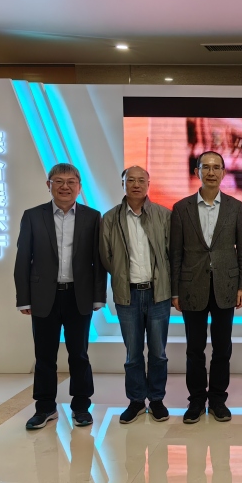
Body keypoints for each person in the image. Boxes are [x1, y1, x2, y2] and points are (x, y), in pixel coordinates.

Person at [14, 163, 106, 430]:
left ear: (79, 187)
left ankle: (81, 407)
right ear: (49, 185)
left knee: (79, 354)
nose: (65, 187)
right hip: (44, 296)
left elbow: (98, 260)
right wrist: (24, 298)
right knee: (44, 356)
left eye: (71, 182)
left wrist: (98, 296)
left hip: (79, 295)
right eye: (59, 181)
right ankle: (45, 408)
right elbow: (23, 259)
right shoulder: (33, 216)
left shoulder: (92, 217)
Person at [170, 151, 242, 424]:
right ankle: (196, 401)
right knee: (194, 349)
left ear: (224, 173)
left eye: (217, 167)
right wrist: (175, 291)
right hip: (192, 286)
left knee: (222, 348)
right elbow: (175, 253)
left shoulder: (235, 206)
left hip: (225, 286)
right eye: (206, 167)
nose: (212, 172)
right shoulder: (181, 208)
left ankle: (217, 400)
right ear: (197, 172)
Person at [100, 166, 172, 424]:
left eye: (141, 180)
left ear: (148, 184)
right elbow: (106, 256)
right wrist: (121, 277)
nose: (136, 184)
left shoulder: (163, 215)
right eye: (130, 180)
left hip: (158, 294)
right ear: (123, 184)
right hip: (128, 294)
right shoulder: (110, 218)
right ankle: (136, 401)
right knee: (133, 354)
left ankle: (157, 400)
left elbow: (172, 253)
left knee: (158, 352)